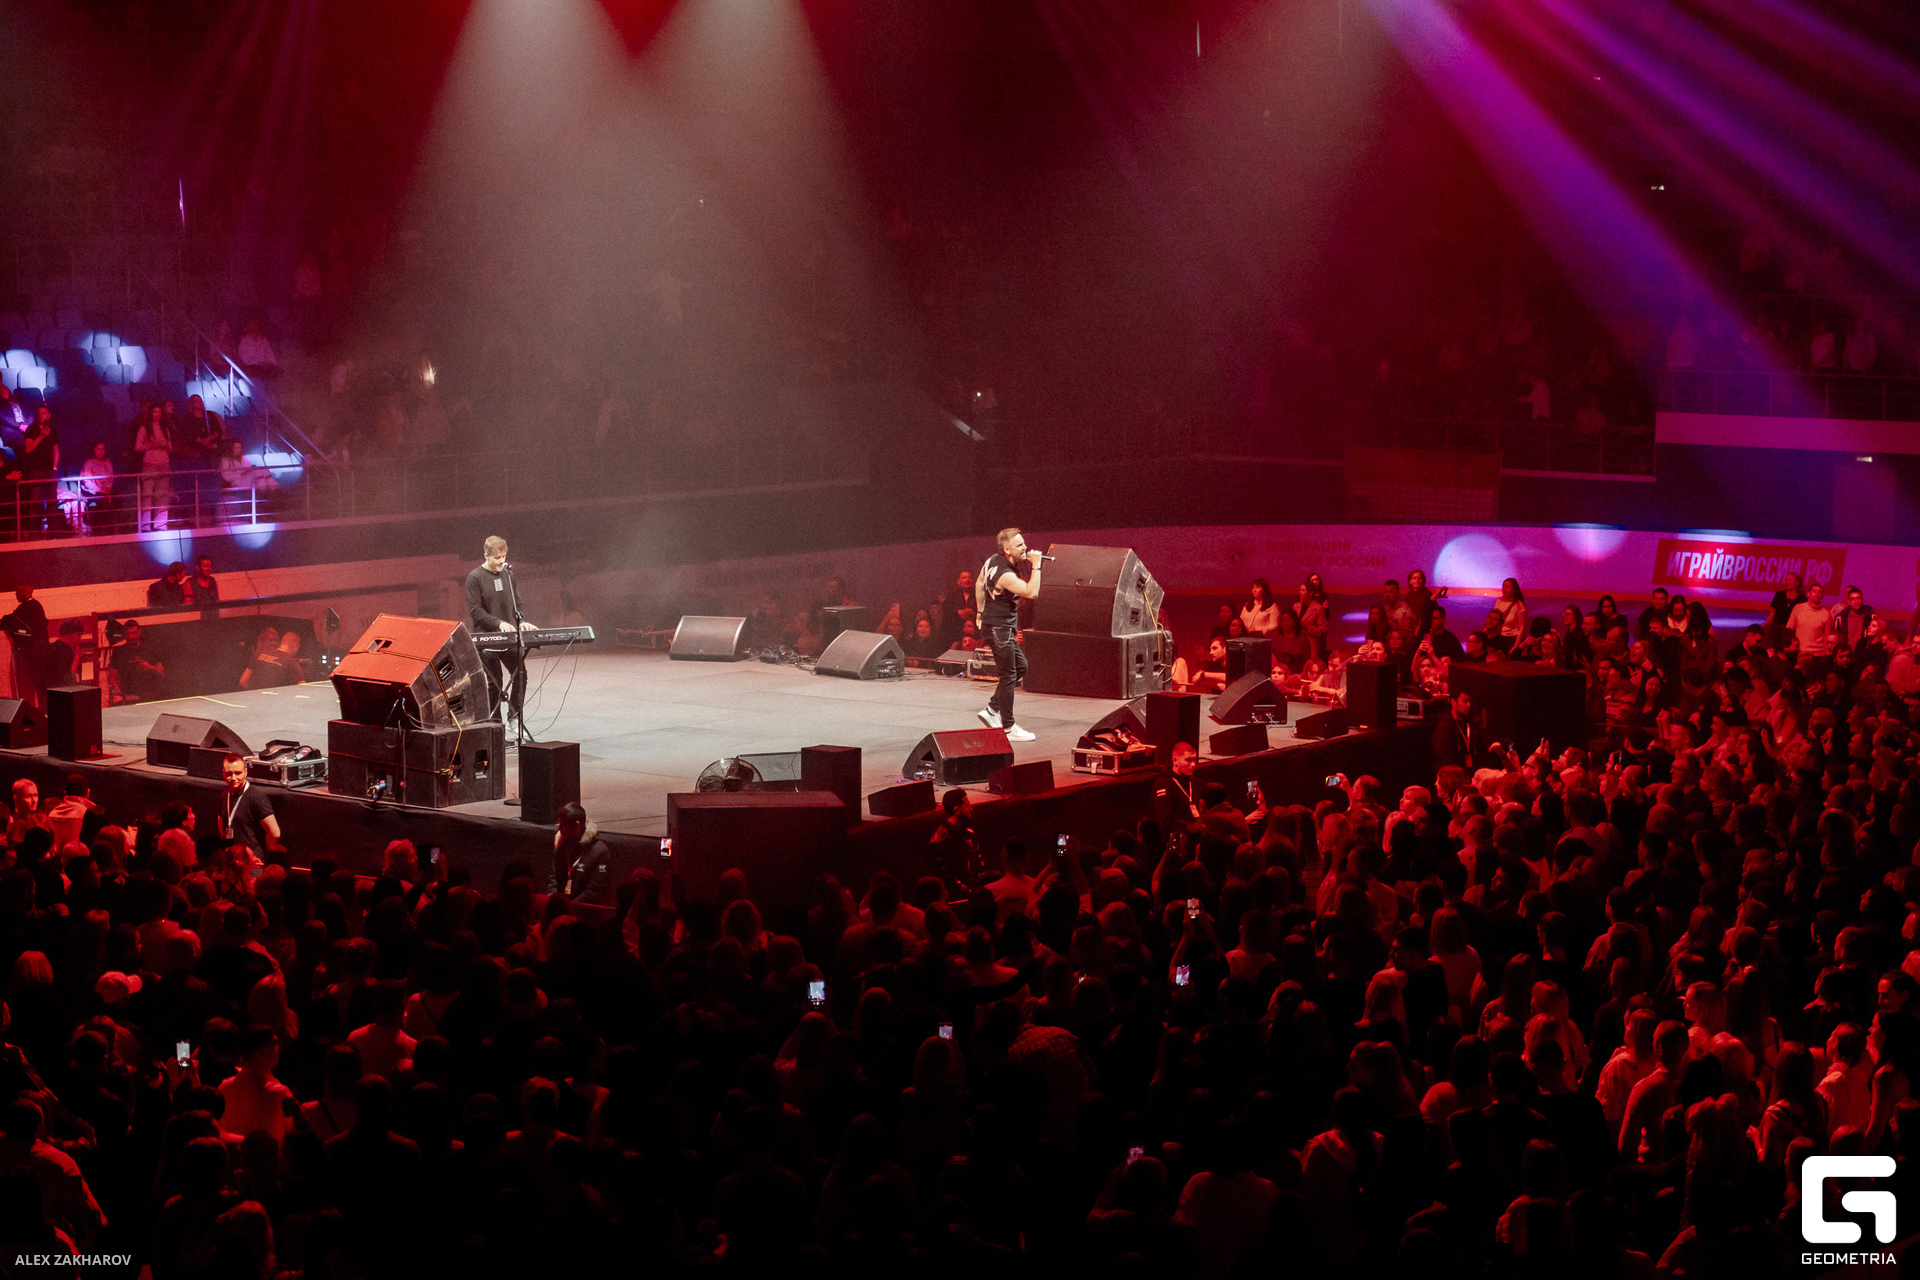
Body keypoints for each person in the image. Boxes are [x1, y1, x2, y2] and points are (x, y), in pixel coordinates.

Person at [974, 527, 1042, 743]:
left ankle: (992, 710)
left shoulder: (991, 560)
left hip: (998, 626)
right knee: (1009, 675)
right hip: (1000, 628)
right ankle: (1009, 727)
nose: (1025, 548)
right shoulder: (1005, 575)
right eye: (1019, 545)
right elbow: (1032, 592)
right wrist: (1037, 566)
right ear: (1007, 550)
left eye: (1024, 543)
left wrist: (979, 612)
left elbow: (979, 583)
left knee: (1021, 667)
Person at [465, 535, 533, 722]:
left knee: (521, 675)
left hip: (507, 637)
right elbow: (475, 610)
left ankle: (514, 717)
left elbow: (517, 601)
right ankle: (495, 726)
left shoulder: (508, 574)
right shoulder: (475, 577)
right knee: (495, 683)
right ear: (486, 556)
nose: (502, 561)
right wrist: (498, 623)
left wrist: (521, 620)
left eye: (503, 556)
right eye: (497, 557)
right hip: (487, 638)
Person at [215, 752, 281, 871]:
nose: (233, 778)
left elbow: (275, 832)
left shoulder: (256, 797)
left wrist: (266, 857)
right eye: (229, 774)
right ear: (223, 773)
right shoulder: (224, 796)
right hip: (231, 863)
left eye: (238, 773)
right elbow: (222, 829)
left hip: (252, 864)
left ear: (246, 772)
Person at [547, 801, 612, 905]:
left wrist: (570, 907)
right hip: (560, 907)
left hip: (583, 909)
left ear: (576, 826)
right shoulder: (562, 845)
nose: (559, 829)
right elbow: (554, 879)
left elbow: (595, 890)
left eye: (563, 825)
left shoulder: (599, 851)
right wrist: (552, 901)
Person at [1, 586, 51, 711]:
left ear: (24, 593)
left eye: (17, 593)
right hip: (40, 651)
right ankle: (43, 707)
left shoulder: (28, 607)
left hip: (36, 652)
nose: (16, 596)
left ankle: (43, 708)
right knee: (39, 683)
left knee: (38, 682)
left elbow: (12, 619)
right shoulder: (34, 606)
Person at [134, 402, 172, 533]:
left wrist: (165, 445)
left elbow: (170, 447)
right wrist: (152, 445)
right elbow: (137, 447)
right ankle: (145, 525)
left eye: (159, 412)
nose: (157, 414)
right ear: (151, 413)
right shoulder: (145, 428)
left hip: (164, 463)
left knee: (163, 495)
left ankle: (161, 524)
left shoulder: (165, 428)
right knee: (147, 494)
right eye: (155, 412)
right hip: (150, 463)